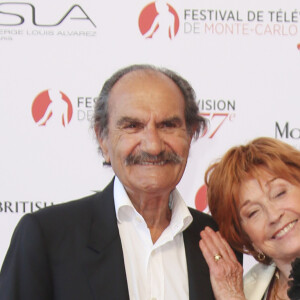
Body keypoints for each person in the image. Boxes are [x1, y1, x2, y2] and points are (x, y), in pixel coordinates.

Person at [0, 64, 236, 300]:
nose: (153, 145)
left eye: (168, 125)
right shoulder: (48, 237)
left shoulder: (220, 242)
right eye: (133, 126)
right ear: (103, 139)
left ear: (190, 134)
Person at [199, 137, 300, 300]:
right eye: (253, 212)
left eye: (279, 193)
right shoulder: (248, 290)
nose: (273, 215)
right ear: (245, 237)